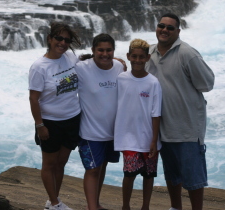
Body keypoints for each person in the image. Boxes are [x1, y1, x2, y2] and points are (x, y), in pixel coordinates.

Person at [145, 13, 215, 210]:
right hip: (163, 128)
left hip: (187, 128)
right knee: (172, 173)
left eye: (170, 27)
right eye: (162, 26)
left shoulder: (187, 54)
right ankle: (175, 207)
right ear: (156, 28)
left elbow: (207, 83)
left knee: (193, 178)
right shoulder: (149, 53)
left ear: (178, 31)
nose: (165, 30)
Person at [28, 21, 82, 210]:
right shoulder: (39, 67)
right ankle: (54, 203)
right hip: (50, 122)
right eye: (59, 38)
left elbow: (88, 62)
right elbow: (34, 99)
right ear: (50, 39)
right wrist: (40, 125)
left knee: (61, 163)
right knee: (49, 164)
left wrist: (116, 61)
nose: (63, 43)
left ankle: (54, 200)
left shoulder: (70, 58)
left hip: (72, 118)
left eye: (66, 40)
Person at [75, 34, 125, 210]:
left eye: (108, 50)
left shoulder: (119, 66)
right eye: (100, 50)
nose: (105, 54)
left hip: (112, 131)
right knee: (92, 170)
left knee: (102, 166)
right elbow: (60, 67)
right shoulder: (81, 68)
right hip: (90, 131)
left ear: (113, 50)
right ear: (93, 50)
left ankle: (96, 203)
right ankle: (92, 208)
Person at [114, 39, 162, 210]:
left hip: (148, 137)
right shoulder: (121, 79)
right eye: (134, 56)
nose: (137, 60)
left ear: (147, 58)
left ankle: (145, 207)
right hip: (127, 137)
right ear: (128, 56)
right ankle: (125, 206)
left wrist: (154, 140)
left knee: (149, 176)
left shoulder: (153, 82)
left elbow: (156, 114)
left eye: (141, 57)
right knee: (129, 174)